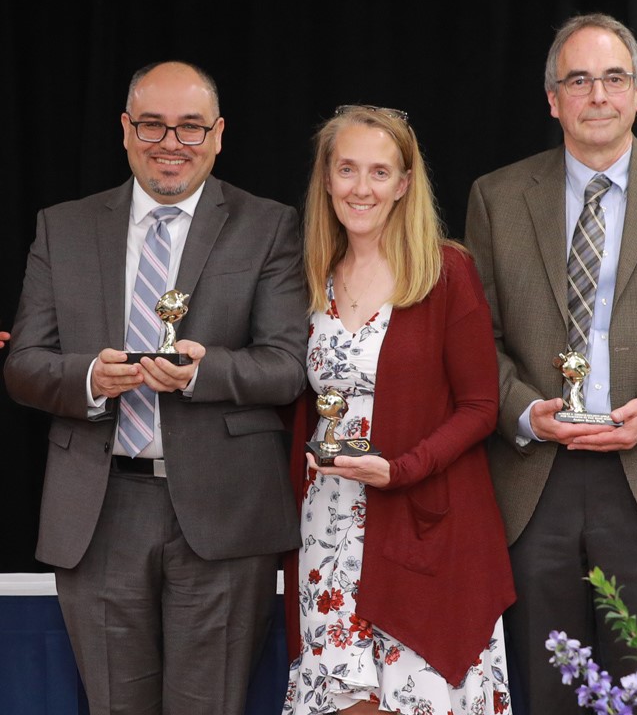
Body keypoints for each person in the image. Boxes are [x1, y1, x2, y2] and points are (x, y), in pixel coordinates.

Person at [464, 12, 637, 714]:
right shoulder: (496, 198)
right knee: (547, 688)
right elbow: (476, 342)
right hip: (535, 483)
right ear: (553, 98)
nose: (598, 95)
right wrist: (523, 411)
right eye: (579, 80)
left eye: (614, 78)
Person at [4, 60, 308, 714]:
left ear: (219, 135)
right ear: (124, 129)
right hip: (100, 507)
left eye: (191, 127)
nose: (171, 144)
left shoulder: (268, 225)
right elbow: (24, 363)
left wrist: (206, 372)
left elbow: (288, 365)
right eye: (153, 125)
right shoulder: (64, 226)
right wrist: (87, 377)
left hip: (226, 514)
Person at [283, 105, 514, 714]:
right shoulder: (309, 277)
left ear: (404, 184)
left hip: (420, 521)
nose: (361, 188)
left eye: (380, 172)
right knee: (345, 701)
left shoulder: (445, 271)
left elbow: (481, 406)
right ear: (326, 178)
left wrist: (403, 468)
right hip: (328, 525)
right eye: (348, 169)